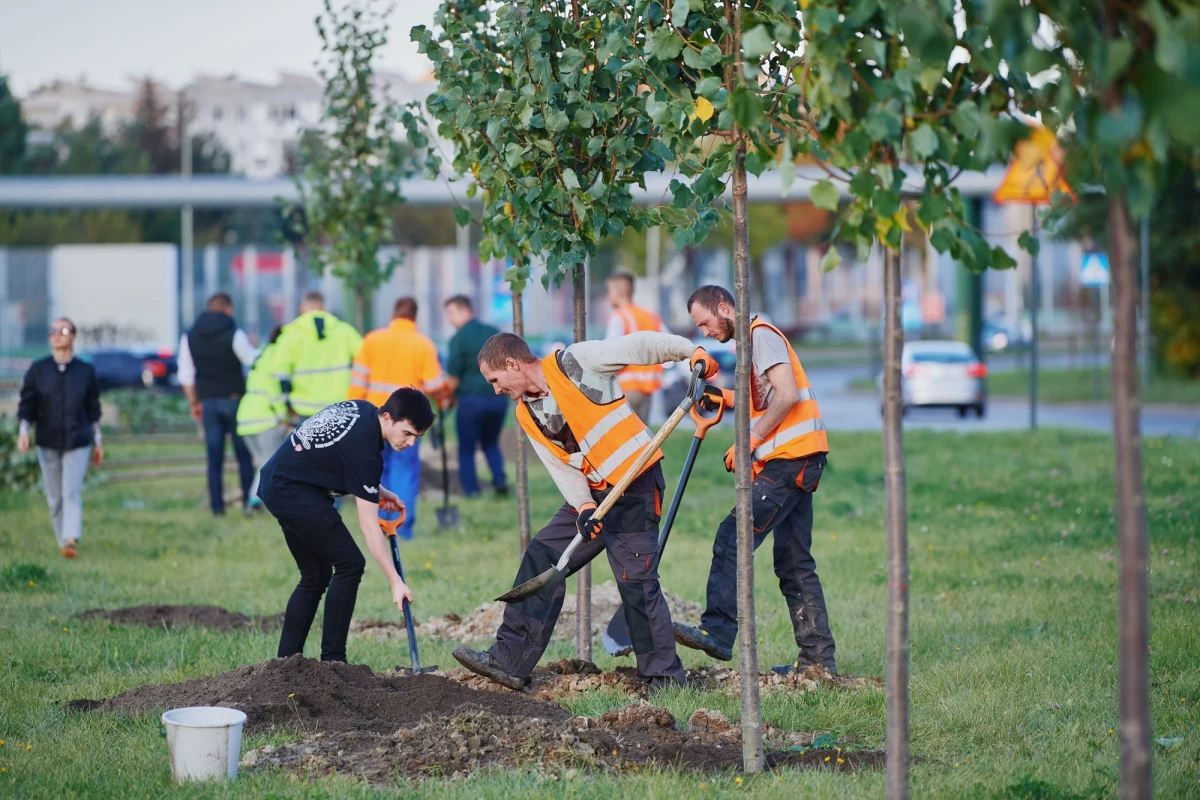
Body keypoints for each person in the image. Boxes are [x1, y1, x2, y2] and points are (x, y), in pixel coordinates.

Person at [452, 330, 717, 693]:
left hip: (634, 483)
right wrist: (584, 506)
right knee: (543, 556)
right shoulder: (526, 412)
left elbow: (638, 346)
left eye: (496, 380)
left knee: (635, 581)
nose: (495, 389)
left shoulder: (575, 364)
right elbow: (561, 466)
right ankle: (509, 662)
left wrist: (692, 352)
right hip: (593, 493)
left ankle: (665, 679)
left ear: (513, 364)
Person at [672, 285, 837, 676]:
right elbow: (761, 398)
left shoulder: (760, 335)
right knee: (794, 562)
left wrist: (749, 441)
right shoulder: (749, 341)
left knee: (733, 536)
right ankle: (818, 662)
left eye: (706, 323)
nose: (705, 332)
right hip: (799, 459)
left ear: (725, 307)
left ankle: (717, 631)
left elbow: (786, 395)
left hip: (789, 461)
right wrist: (725, 398)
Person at [257, 389, 434, 663]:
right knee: (350, 564)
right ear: (387, 418)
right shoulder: (367, 451)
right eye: (408, 433)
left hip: (279, 482)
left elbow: (336, 456)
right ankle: (334, 662)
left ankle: (286, 664)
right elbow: (368, 524)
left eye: (417, 438)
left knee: (315, 575)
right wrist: (395, 581)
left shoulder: (363, 410)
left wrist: (378, 491)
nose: (411, 443)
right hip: (294, 491)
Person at [347, 297, 449, 538]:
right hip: (409, 421)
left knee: (376, 471)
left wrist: (355, 414)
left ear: (393, 314)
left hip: (376, 420)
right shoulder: (422, 344)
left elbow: (357, 384)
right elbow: (434, 384)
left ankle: (378, 525)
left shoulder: (371, 340)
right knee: (405, 470)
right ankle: (401, 528)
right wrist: (443, 399)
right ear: (415, 317)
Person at [17, 318, 103, 559]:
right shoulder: (38, 370)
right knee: (54, 496)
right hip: (48, 440)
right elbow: (27, 404)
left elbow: (93, 408)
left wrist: (98, 442)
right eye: (52, 331)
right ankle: (63, 541)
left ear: (73, 336)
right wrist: (24, 432)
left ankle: (70, 539)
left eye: (63, 331)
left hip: (78, 440)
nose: (57, 335)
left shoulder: (85, 371)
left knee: (70, 492)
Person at [178, 292, 258, 516]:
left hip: (208, 403)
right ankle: (247, 504)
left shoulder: (189, 337)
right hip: (235, 400)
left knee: (214, 457)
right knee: (244, 455)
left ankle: (217, 507)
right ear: (228, 309)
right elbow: (252, 361)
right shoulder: (235, 333)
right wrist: (254, 346)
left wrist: (194, 401)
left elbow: (186, 376)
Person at [442, 295, 508, 498]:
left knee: (467, 448)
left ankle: (471, 490)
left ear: (465, 310)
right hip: (498, 398)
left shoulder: (458, 339)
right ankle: (499, 480)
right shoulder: (493, 332)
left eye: (451, 313)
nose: (449, 319)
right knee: (491, 442)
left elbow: (453, 376)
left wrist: (445, 399)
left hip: (471, 401)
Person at [273, 291, 363, 420]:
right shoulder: (345, 331)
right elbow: (364, 359)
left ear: (301, 309)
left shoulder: (289, 335)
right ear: (324, 308)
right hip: (339, 406)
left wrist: (286, 405)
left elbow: (280, 373)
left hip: (304, 408)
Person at [236, 326, 288, 512]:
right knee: (268, 464)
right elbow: (275, 389)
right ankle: (253, 501)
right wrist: (283, 416)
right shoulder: (278, 356)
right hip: (265, 416)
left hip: (245, 415)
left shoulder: (262, 354)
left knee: (261, 462)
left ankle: (254, 501)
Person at [604, 270, 665, 421]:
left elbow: (609, 354)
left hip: (624, 388)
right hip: (648, 389)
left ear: (618, 291)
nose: (608, 295)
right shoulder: (651, 316)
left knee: (623, 439)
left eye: (610, 290)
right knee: (643, 439)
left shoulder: (619, 317)